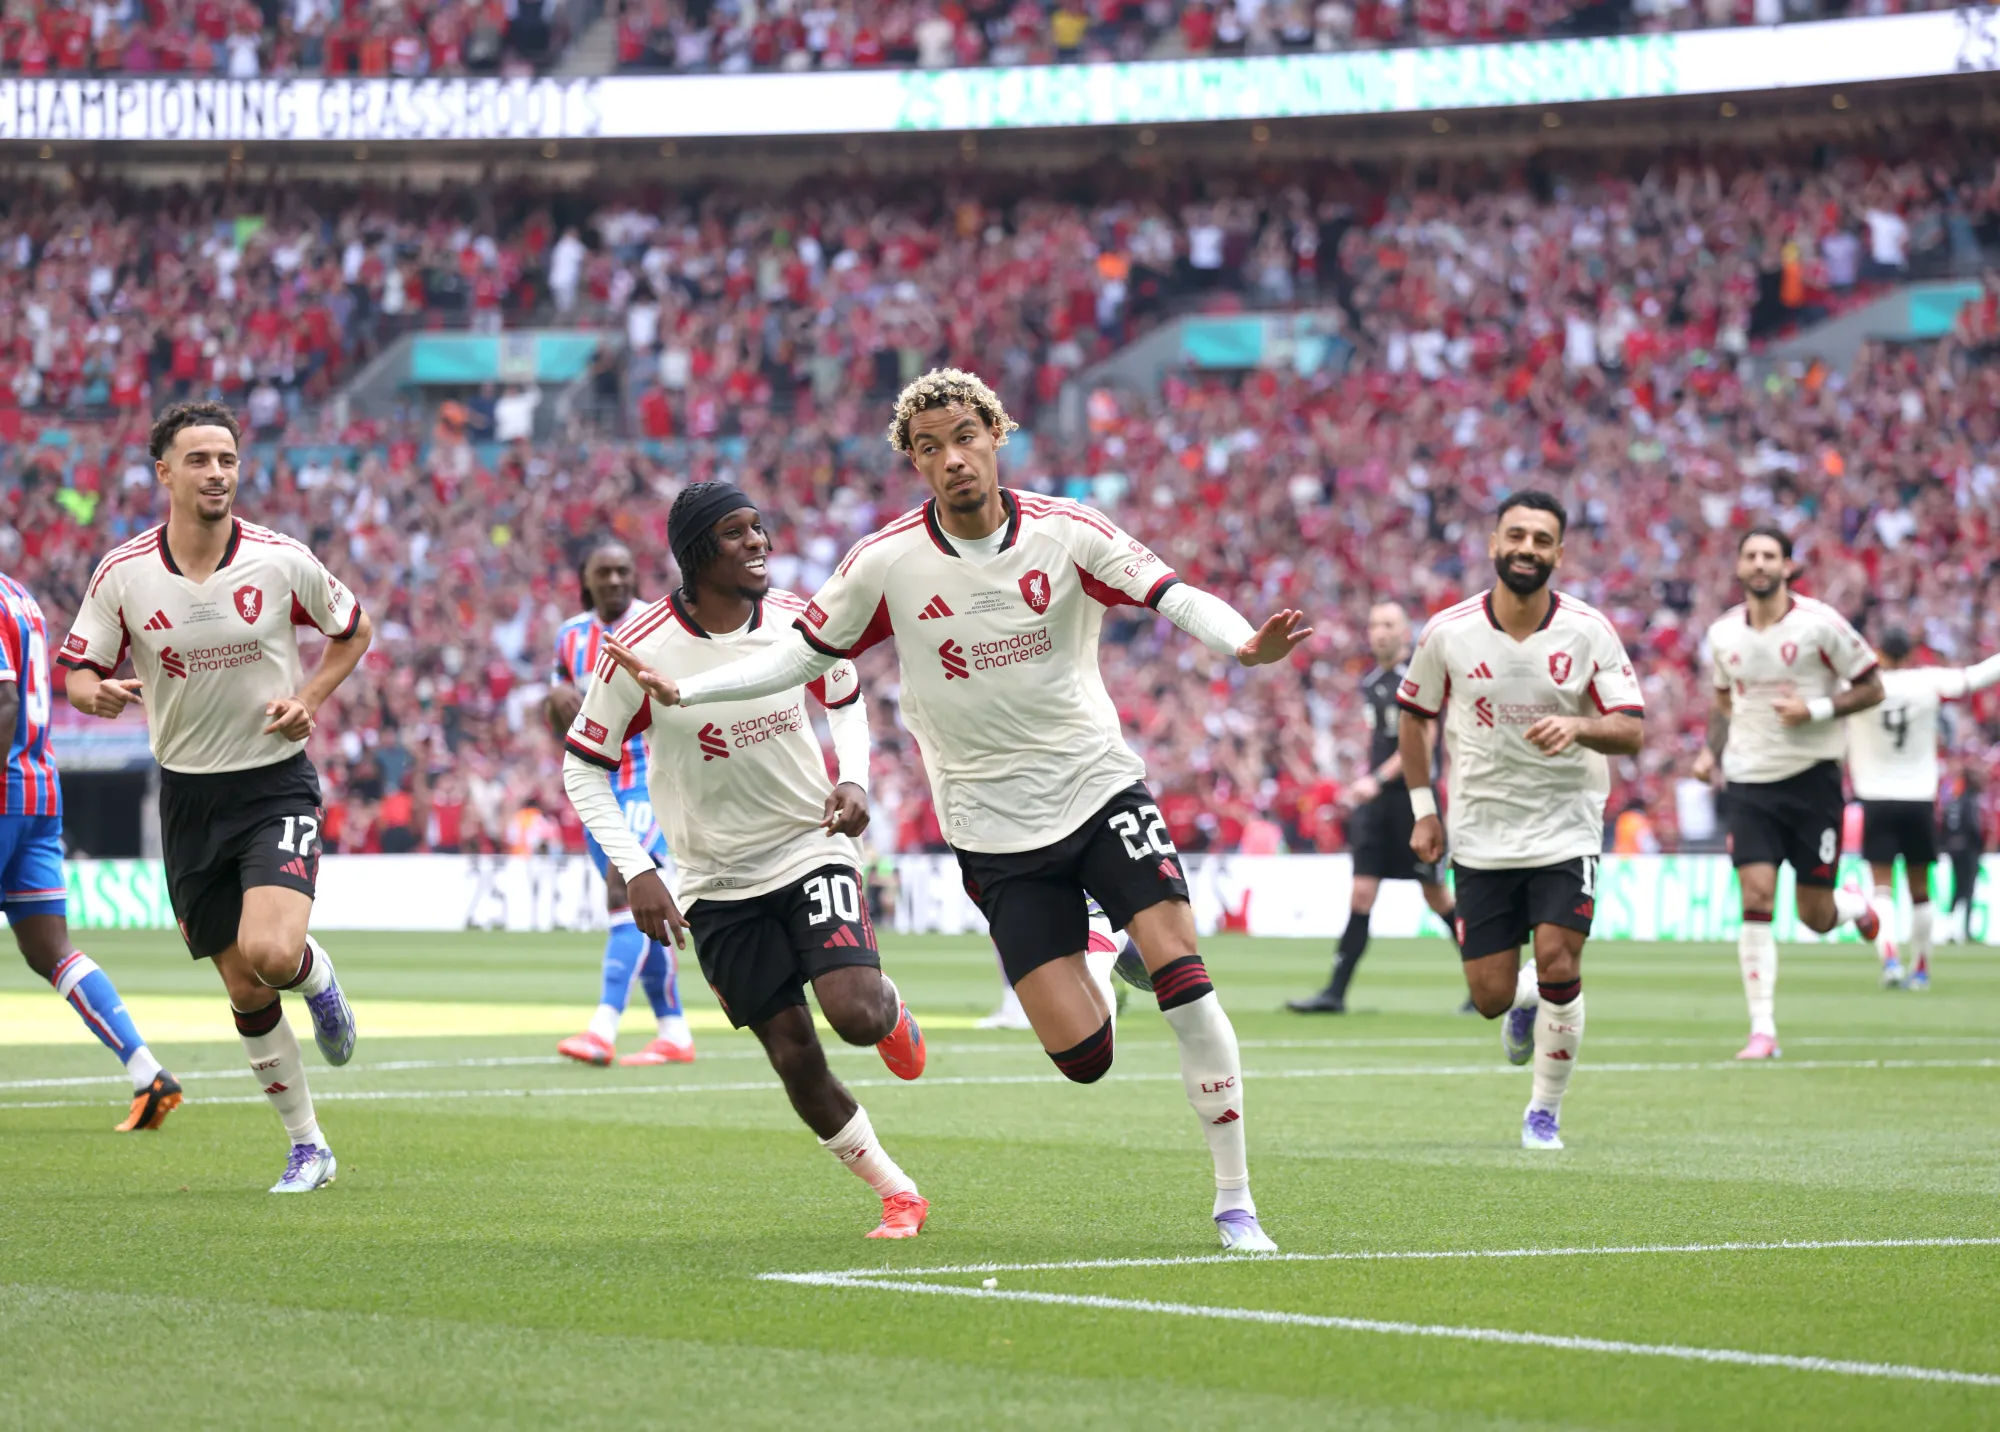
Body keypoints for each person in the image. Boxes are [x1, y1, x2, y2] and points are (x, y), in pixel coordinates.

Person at [609, 369, 1308, 1252]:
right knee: (1082, 1060)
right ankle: (1100, 943)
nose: (953, 459)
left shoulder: (1068, 530)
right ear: (913, 461)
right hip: (990, 828)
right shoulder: (885, 561)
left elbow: (1171, 593)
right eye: (930, 447)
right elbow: (795, 658)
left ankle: (1235, 1202)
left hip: (1096, 786)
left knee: (1185, 976)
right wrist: (693, 683)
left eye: (966, 437)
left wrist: (1242, 642)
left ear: (997, 436)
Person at [567, 482, 930, 1239]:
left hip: (808, 845)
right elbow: (583, 765)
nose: (759, 542)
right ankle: (898, 1192)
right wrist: (638, 868)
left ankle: (892, 1009)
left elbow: (846, 693)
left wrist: (854, 775)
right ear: (698, 554)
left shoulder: (800, 621)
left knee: (855, 1016)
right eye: (738, 533)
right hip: (712, 881)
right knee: (792, 1050)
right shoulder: (644, 649)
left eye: (760, 528)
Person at [60, 401, 371, 1193]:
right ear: (163, 472)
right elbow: (78, 667)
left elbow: (353, 629)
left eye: (227, 459)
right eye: (199, 459)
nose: (217, 473)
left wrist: (312, 697)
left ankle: (316, 978)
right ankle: (310, 1146)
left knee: (271, 956)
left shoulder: (278, 559)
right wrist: (90, 690)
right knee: (241, 986)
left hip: (274, 784)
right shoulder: (123, 572)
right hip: (188, 799)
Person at [1396, 491, 1644, 1151]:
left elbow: (1632, 730)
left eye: (1541, 539)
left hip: (1566, 824)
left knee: (1561, 958)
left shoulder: (1589, 629)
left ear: (1559, 554)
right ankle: (1524, 1000)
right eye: (1517, 536)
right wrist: (1425, 810)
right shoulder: (1448, 631)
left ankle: (1544, 1111)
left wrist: (1581, 725)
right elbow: (1414, 715)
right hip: (1480, 829)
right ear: (1493, 545)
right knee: (1489, 996)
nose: (1527, 549)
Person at [1693, 525, 1884, 1061]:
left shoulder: (1820, 625)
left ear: (1787, 566)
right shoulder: (1723, 635)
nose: (1759, 564)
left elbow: (1873, 686)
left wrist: (1815, 710)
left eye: (1769, 556)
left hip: (1812, 780)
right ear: (1737, 567)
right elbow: (1724, 702)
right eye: (1750, 555)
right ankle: (1763, 1030)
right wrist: (1711, 753)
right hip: (1749, 781)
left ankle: (1855, 909)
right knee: (1755, 896)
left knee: (1813, 914)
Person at [1, 570, 182, 1131]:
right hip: (39, 788)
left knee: (50, 948)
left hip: (3, 789)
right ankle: (145, 1069)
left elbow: (4, 699)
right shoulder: (19, 596)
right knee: (49, 949)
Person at [546, 538, 692, 1067]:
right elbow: (558, 711)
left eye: (622, 571)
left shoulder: (656, 626)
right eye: (603, 572)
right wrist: (553, 703)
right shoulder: (569, 636)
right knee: (642, 912)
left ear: (634, 576)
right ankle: (673, 1030)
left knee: (623, 887)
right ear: (586, 580)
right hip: (595, 788)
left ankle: (603, 1027)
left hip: (646, 780)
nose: (613, 580)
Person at [1289, 600, 1459, 1014]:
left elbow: (1421, 741)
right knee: (1362, 893)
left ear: (1405, 632)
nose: (1379, 632)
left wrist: (1376, 779)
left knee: (1437, 896)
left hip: (1415, 803)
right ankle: (1334, 993)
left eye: (1388, 624)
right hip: (1377, 807)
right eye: (1374, 624)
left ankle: (1489, 981)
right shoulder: (1372, 681)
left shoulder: (1417, 678)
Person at [1845, 626, 2000, 989]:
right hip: (1918, 798)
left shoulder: (1861, 688)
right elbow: (1976, 677)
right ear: (1912, 653)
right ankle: (1921, 968)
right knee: (1920, 890)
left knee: (1880, 888)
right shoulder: (1927, 681)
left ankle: (1890, 962)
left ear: (1879, 653)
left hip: (1877, 798)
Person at [1940, 763, 1986, 945]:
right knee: (1968, 890)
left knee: (1957, 890)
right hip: (1968, 850)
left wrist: (1946, 844)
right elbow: (1973, 825)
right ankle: (1966, 931)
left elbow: (1944, 825)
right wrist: (1979, 846)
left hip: (1954, 849)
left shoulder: (1953, 801)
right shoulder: (1970, 800)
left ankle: (1950, 929)